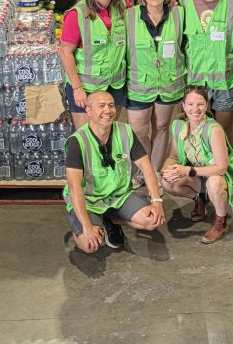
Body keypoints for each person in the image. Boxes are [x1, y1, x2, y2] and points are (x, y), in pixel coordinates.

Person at [63, 91, 166, 253]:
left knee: (153, 220)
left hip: (119, 196)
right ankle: (86, 221)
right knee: (90, 246)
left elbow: (147, 167)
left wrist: (156, 201)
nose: (108, 110)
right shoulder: (78, 141)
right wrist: (87, 226)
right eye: (101, 106)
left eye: (111, 105)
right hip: (90, 201)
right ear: (89, 111)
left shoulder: (125, 131)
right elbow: (74, 188)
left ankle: (109, 219)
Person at [161, 86, 233, 244]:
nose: (195, 109)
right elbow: (173, 156)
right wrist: (166, 170)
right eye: (190, 104)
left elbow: (221, 168)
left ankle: (220, 221)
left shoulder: (213, 129)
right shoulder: (178, 125)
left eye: (200, 104)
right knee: (167, 182)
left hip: (216, 177)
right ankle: (199, 199)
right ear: (183, 105)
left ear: (207, 105)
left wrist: (188, 170)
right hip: (196, 175)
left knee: (214, 182)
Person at [125, 0, 184, 171]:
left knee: (161, 127)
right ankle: (145, 171)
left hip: (168, 83)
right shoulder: (129, 16)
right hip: (139, 84)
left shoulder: (179, 13)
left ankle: (156, 172)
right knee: (139, 131)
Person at [60, 0, 129, 130]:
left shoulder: (123, 6)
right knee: (87, 137)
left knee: (108, 133)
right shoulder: (77, 15)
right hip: (86, 88)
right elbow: (65, 52)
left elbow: (148, 10)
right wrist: (77, 88)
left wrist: (169, 0)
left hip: (115, 85)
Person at [180, 0, 233, 142]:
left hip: (225, 78)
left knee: (223, 130)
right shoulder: (183, 3)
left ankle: (225, 166)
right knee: (195, 129)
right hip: (196, 79)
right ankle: (200, 164)